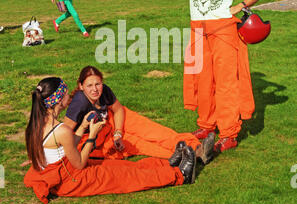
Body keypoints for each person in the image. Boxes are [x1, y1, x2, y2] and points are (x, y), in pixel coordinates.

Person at [24, 77, 197, 204]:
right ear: (58, 100)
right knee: (127, 177)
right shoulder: (60, 130)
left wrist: (83, 126)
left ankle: (168, 165)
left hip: (66, 170)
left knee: (125, 167)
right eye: (66, 94)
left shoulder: (36, 124)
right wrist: (92, 136)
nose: (69, 97)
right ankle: (180, 175)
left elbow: (65, 146)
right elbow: (79, 164)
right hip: (72, 179)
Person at [170, 0, 264, 152]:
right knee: (203, 80)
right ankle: (207, 125)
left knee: (226, 83)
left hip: (223, 29)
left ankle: (229, 133)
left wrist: (238, 7)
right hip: (198, 30)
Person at [63, 65, 215, 164]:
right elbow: (65, 134)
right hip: (96, 139)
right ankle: (188, 156)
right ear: (81, 86)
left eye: (98, 84)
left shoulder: (104, 91)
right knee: (139, 145)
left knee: (152, 130)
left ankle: (196, 147)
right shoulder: (79, 102)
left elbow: (118, 110)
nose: (95, 89)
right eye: (89, 85)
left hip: (110, 123)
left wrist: (118, 132)